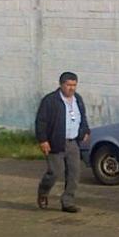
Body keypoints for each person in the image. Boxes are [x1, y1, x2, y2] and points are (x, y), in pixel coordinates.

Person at [35, 71, 91, 213]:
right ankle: (43, 191)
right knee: (55, 172)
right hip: (56, 142)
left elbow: (82, 117)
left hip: (73, 142)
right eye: (68, 85)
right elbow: (41, 122)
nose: (71, 88)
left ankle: (68, 202)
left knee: (74, 173)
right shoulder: (50, 100)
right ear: (61, 85)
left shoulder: (78, 99)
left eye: (74, 85)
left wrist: (85, 130)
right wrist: (43, 140)